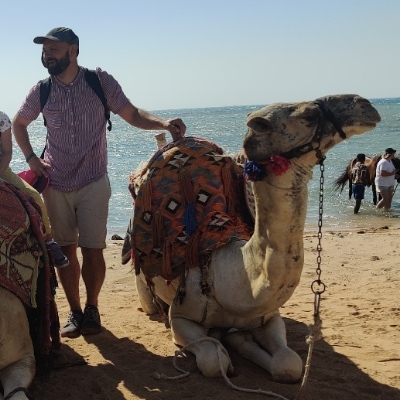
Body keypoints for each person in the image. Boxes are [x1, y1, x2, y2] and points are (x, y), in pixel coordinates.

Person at [12, 27, 186, 339]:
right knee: (65, 250)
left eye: (53, 50)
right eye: (45, 51)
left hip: (93, 180)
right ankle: (75, 311)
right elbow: (19, 123)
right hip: (55, 182)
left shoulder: (99, 82)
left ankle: (92, 308)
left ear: (73, 50)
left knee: (93, 249)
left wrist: (163, 124)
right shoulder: (41, 90)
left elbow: (131, 113)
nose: (47, 55)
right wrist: (30, 158)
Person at [0, 110, 69, 267]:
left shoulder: (2, 119)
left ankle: (49, 241)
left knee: (33, 195)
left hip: (2, 170)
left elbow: (7, 153)